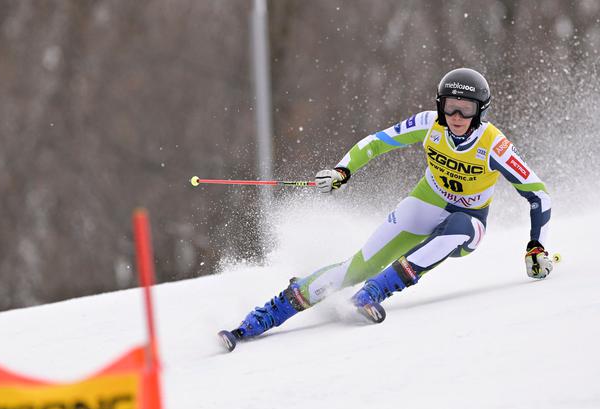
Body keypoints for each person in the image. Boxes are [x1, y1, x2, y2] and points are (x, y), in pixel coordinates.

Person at [224, 67, 553, 342]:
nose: (456, 116)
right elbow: (377, 142)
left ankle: (373, 293)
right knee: (357, 267)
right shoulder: (429, 124)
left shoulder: (494, 145)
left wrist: (536, 245)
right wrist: (343, 169)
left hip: (470, 220)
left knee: (455, 230)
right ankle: (264, 317)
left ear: (480, 111)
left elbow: (538, 194)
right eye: (450, 107)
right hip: (427, 202)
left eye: (466, 109)